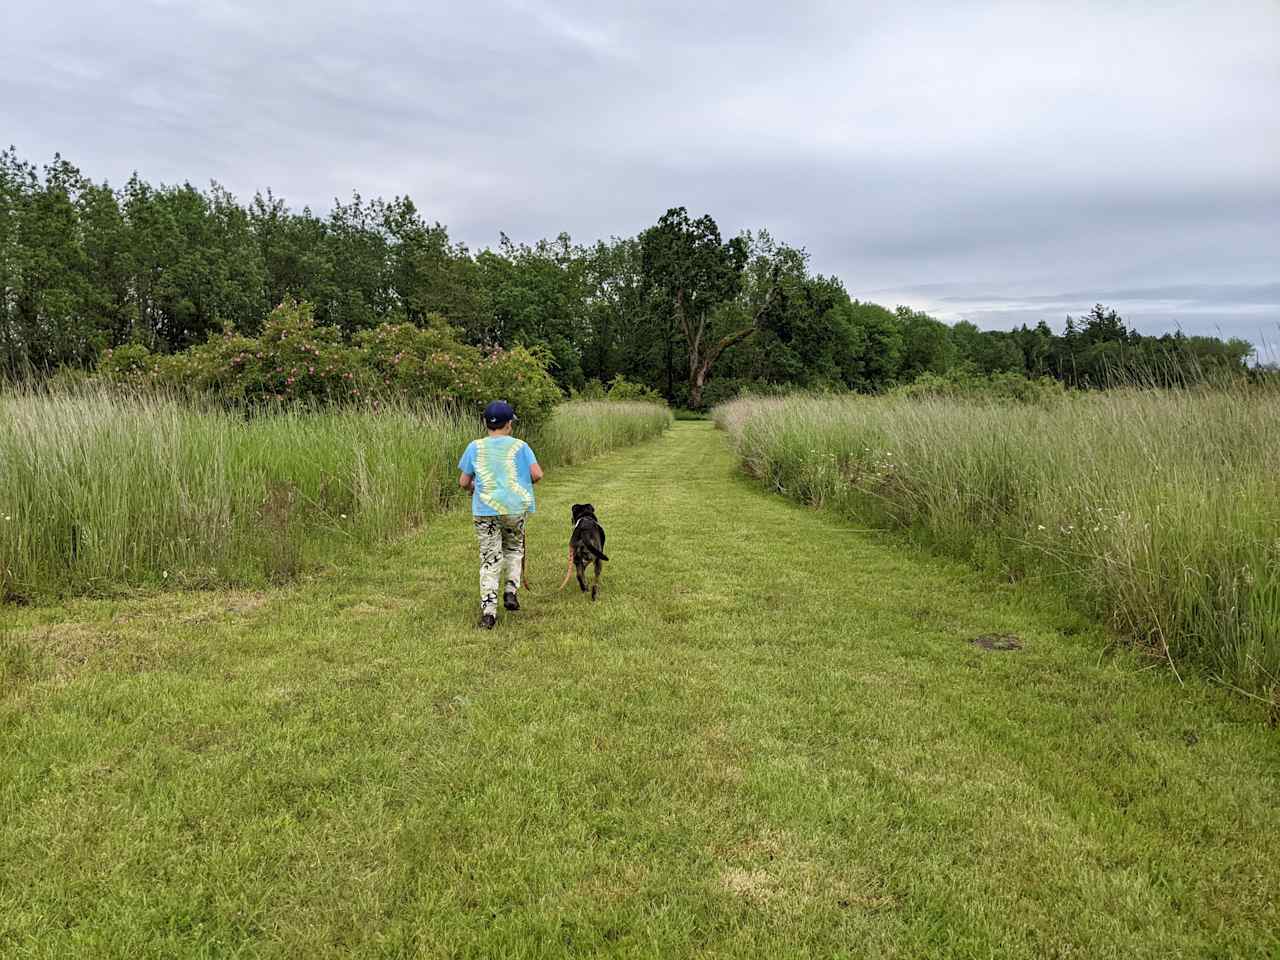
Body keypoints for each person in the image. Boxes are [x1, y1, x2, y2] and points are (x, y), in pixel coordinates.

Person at [457, 400, 543, 629]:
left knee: (489, 557)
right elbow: (537, 474)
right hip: (514, 509)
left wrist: (474, 487)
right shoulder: (521, 446)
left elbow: (464, 481)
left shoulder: (475, 447)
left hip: (485, 510)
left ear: (486, 423)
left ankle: (488, 613)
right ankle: (511, 591)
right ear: (509, 425)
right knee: (514, 549)